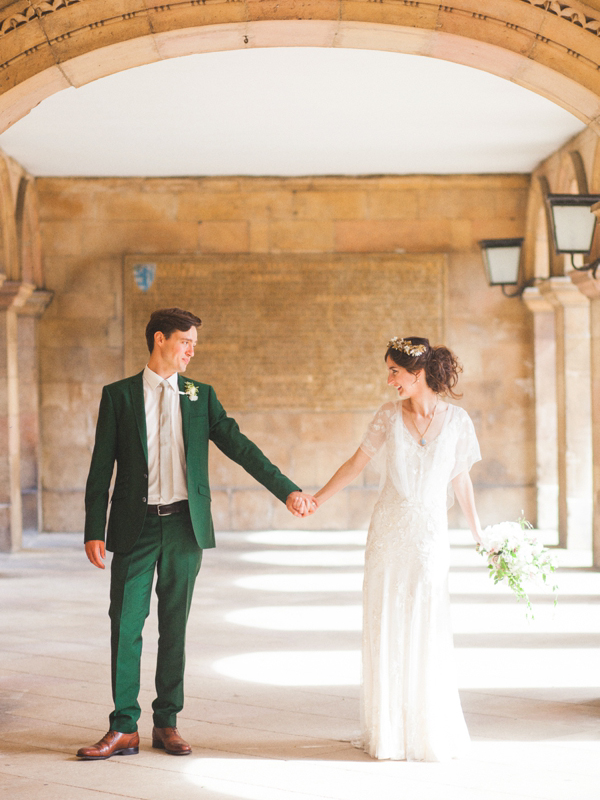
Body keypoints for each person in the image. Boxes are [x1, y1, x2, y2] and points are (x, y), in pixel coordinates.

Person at [77, 307, 315, 760]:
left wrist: (287, 491)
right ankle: (123, 726)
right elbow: (99, 466)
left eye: (193, 345)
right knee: (124, 625)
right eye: (185, 342)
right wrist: (93, 527)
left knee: (174, 626)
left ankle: (167, 721)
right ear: (160, 339)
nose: (190, 351)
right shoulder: (120, 396)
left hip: (186, 525)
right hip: (135, 526)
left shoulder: (199, 395)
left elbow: (241, 447)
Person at [310, 336, 482, 761]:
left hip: (429, 536)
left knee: (428, 621)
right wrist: (316, 499)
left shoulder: (458, 421)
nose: (389, 380)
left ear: (418, 373)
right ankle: (389, 730)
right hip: (388, 532)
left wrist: (480, 535)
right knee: (387, 619)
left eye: (395, 371)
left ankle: (426, 727)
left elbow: (461, 480)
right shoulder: (388, 416)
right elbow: (356, 463)